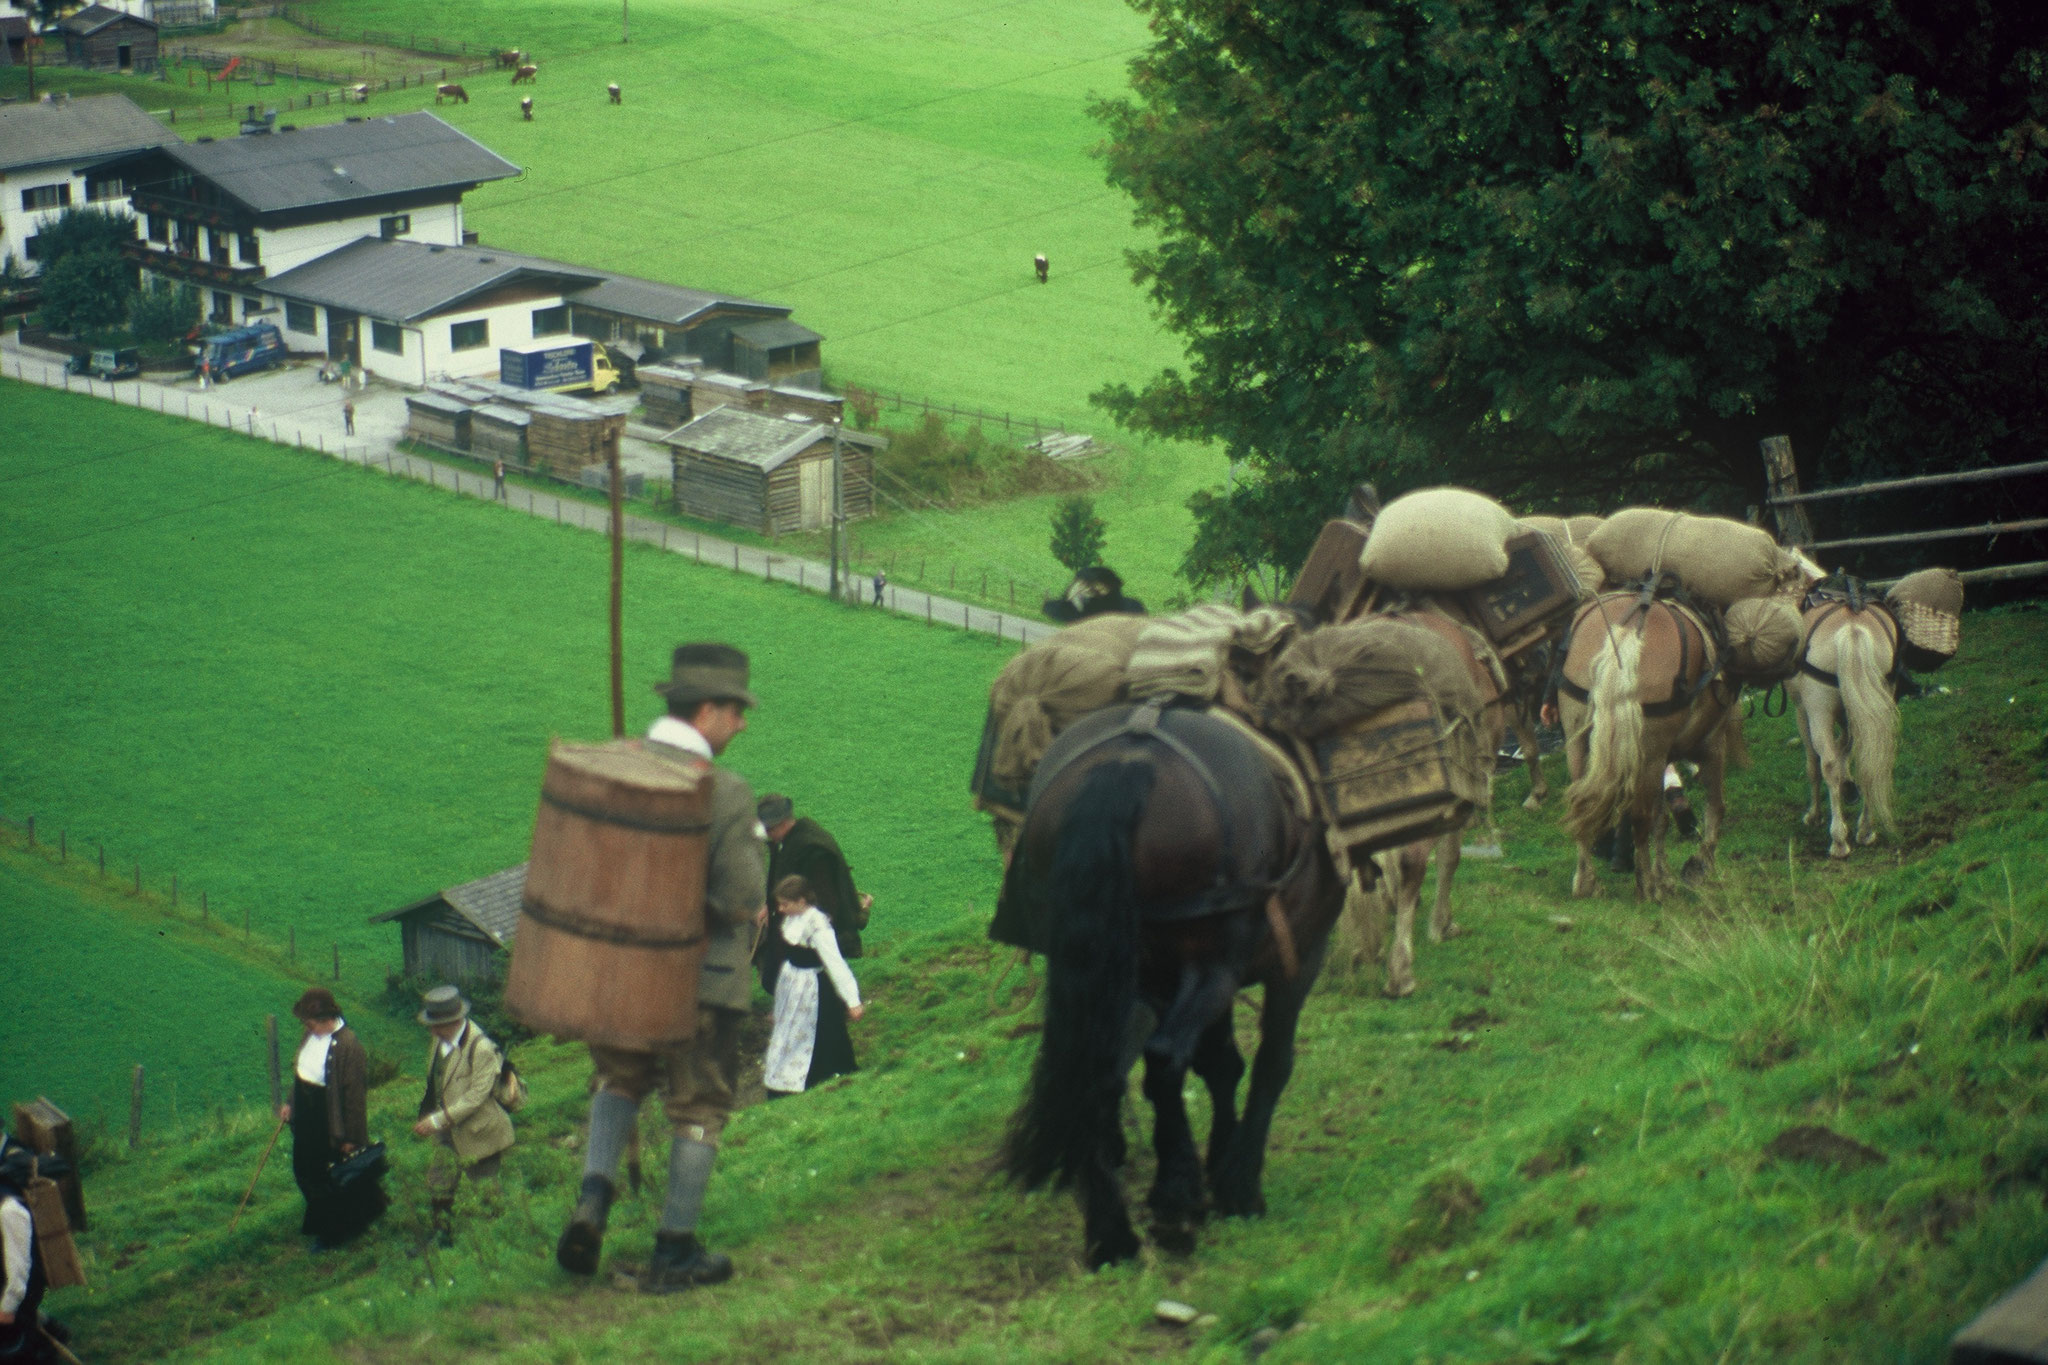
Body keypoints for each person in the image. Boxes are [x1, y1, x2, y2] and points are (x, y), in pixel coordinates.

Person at [557, 643, 766, 1292]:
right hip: (700, 979)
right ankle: (674, 1250)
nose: (742, 724)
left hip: (619, 972)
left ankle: (593, 1199)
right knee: (699, 1103)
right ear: (706, 711)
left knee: (618, 1077)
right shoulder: (725, 792)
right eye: (736, 711)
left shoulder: (616, 767)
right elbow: (741, 896)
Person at [279, 987, 385, 1251]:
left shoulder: (349, 1046)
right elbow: (301, 1072)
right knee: (303, 1171)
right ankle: (344, 1219)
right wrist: (290, 1103)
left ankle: (331, 1233)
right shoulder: (310, 1034)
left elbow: (355, 1098)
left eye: (310, 1022)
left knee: (323, 1175)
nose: (306, 1027)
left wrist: (351, 1138)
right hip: (305, 1112)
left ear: (326, 1019)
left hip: (327, 1118)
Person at [409, 986, 514, 1247]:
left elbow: (476, 1096)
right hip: (447, 1130)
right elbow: (436, 1082)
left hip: (479, 1131)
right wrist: (429, 1115)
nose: (432, 1031)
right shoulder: (438, 1043)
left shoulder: (481, 1048)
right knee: (439, 1182)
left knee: (487, 1188)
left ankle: (504, 1237)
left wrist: (437, 1120)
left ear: (454, 1021)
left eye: (437, 1025)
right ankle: (441, 1235)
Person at [763, 875, 864, 1098]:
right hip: (792, 983)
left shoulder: (817, 926)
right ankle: (786, 1084)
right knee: (789, 1035)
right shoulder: (791, 919)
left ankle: (819, 1079)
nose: (780, 909)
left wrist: (853, 1000)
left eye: (785, 904)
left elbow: (835, 963)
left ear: (801, 901)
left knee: (819, 1035)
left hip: (812, 989)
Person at [757, 793, 872, 966]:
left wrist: (787, 920)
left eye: (769, 829)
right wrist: (771, 905)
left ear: (782, 823)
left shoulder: (813, 851)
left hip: (815, 944)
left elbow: (826, 905)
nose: (766, 834)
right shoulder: (787, 842)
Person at [0, 1138, 71, 1365]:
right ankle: (46, 1327)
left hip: (21, 1284)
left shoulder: (8, 1209)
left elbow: (19, 1266)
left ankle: (37, 1345)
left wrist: (7, 1307)